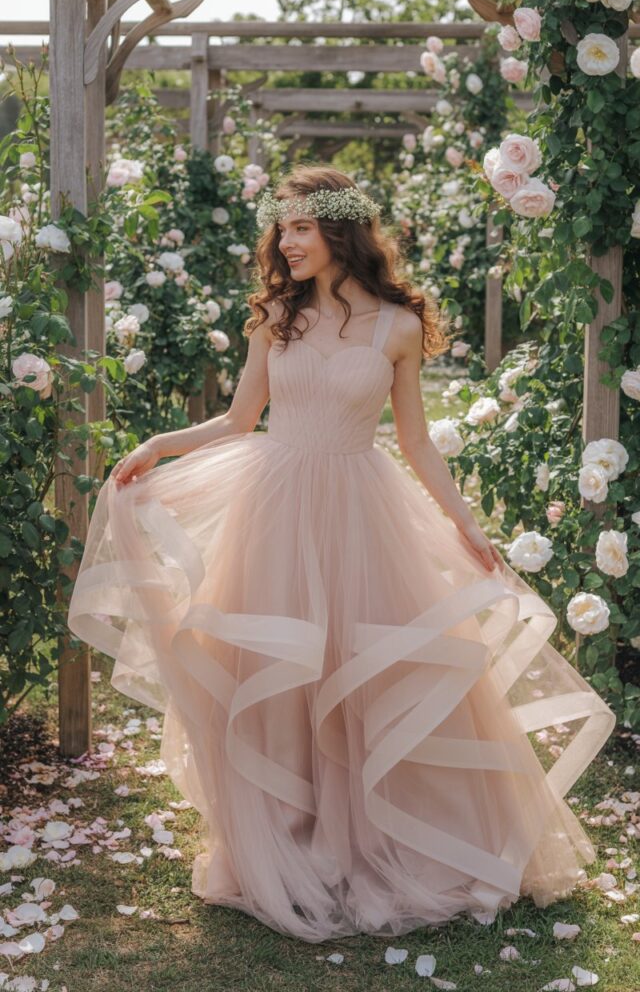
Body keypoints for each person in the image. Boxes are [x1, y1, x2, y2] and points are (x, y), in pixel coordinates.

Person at [68, 164, 615, 944]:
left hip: (362, 512)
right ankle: (290, 832)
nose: (284, 243)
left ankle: (372, 835)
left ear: (339, 230)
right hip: (277, 508)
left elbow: (418, 443)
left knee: (367, 673)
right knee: (279, 675)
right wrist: (158, 445)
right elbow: (236, 422)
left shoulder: (396, 324)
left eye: (298, 227)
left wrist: (466, 525)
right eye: (280, 229)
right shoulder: (275, 320)